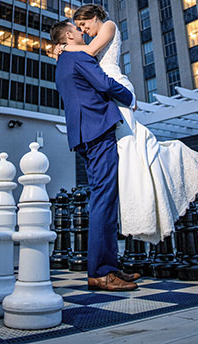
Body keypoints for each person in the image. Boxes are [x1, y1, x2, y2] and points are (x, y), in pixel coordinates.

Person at [55, 4, 198, 244]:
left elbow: (88, 52)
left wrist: (64, 47)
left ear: (94, 17)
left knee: (132, 145)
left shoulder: (108, 26)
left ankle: (178, 163)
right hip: (107, 95)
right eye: (79, 28)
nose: (84, 31)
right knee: (130, 153)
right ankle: (141, 207)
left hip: (115, 88)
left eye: (84, 25)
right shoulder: (82, 47)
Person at [50, 19, 140, 292]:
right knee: (104, 199)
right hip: (98, 130)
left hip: (84, 133)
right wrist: (131, 98)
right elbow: (104, 84)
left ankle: (108, 267)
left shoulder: (62, 61)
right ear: (68, 35)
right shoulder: (77, 57)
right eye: (77, 30)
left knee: (103, 198)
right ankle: (102, 273)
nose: (82, 33)